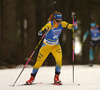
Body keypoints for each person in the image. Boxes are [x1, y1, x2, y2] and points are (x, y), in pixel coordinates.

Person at [26, 11, 78, 85]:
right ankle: (32, 78)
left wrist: (74, 19)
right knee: (38, 62)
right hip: (46, 46)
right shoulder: (49, 25)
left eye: (60, 21)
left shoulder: (62, 24)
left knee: (59, 60)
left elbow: (74, 27)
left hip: (55, 46)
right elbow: (39, 33)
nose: (59, 23)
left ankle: (56, 77)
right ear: (54, 19)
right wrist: (44, 31)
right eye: (57, 21)